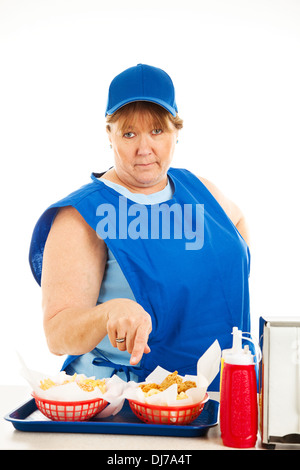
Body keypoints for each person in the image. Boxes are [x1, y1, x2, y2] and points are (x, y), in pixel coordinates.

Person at [29, 64, 251, 390]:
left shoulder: (200, 190)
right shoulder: (84, 214)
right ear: (110, 135)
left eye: (157, 131)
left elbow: (237, 224)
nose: (144, 148)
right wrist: (110, 312)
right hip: (129, 402)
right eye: (129, 133)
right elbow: (57, 332)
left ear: (177, 131)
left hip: (219, 394)